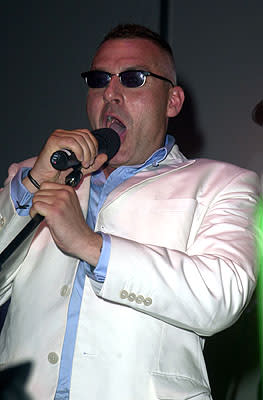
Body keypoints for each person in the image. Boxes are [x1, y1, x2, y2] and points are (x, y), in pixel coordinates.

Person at [0, 23, 260, 400]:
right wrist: (31, 187)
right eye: (99, 79)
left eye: (133, 78)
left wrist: (92, 246)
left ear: (173, 101)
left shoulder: (222, 182)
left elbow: (223, 294)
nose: (110, 93)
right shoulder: (34, 174)